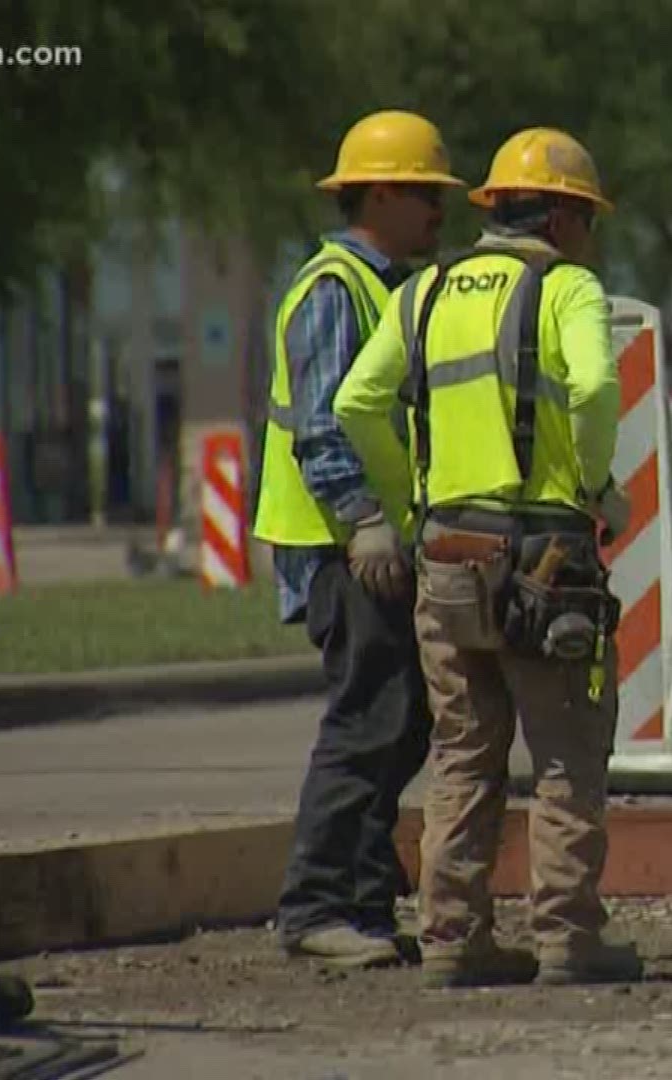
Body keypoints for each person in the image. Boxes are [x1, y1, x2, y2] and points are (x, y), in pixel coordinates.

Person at [333, 126, 640, 988]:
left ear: (497, 207)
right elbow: (591, 386)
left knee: (464, 754)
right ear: (569, 217)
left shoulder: (424, 293)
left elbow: (358, 401)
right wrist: (588, 482)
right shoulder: (568, 287)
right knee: (565, 753)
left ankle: (451, 941)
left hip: (446, 554)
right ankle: (568, 940)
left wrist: (407, 504)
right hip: (546, 559)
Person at [253, 110, 464, 968]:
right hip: (344, 544)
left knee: (403, 719)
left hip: (370, 543)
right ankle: (316, 909)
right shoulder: (335, 288)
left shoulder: (384, 285)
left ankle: (365, 905)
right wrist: (365, 522)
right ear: (378, 193)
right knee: (369, 716)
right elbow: (320, 425)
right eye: (424, 193)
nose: (438, 211)